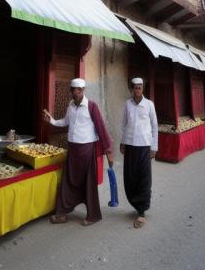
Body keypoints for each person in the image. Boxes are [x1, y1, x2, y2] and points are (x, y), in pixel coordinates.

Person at [43, 78, 113, 226]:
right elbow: (66, 122)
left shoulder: (91, 106)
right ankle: (62, 213)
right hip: (73, 149)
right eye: (73, 91)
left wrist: (108, 150)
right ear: (71, 92)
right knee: (67, 181)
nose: (76, 93)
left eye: (78, 91)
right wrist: (52, 120)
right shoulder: (70, 106)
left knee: (88, 183)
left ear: (83, 91)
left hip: (87, 150)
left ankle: (93, 216)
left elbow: (101, 127)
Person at [120, 77, 158, 229]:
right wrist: (122, 142)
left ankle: (141, 212)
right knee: (130, 177)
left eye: (140, 87)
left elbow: (154, 126)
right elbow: (124, 124)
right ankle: (135, 204)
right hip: (130, 146)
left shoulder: (149, 105)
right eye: (135, 87)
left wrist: (154, 147)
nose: (138, 89)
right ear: (131, 89)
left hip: (144, 146)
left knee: (143, 178)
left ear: (143, 88)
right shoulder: (127, 104)